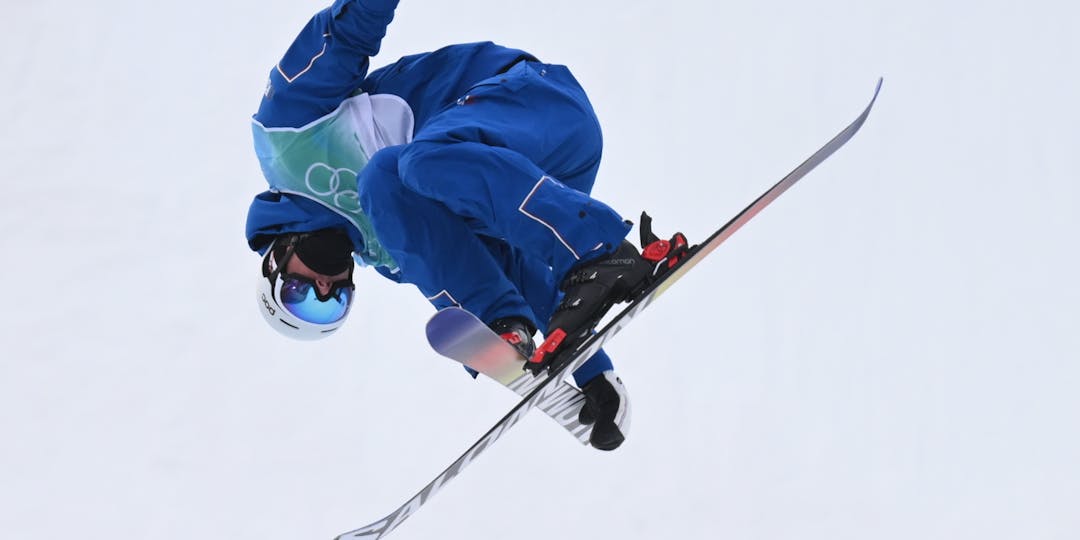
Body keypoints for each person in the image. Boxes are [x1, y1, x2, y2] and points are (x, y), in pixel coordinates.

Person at [246, 0, 688, 450]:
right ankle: (502, 322)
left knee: (410, 164)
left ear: (275, 260)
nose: (324, 287)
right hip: (545, 185)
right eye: (331, 304)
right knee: (385, 182)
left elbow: (347, 32)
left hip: (534, 102)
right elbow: (512, 265)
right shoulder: (391, 246)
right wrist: (593, 368)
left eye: (299, 295)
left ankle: (597, 248)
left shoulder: (286, 138)